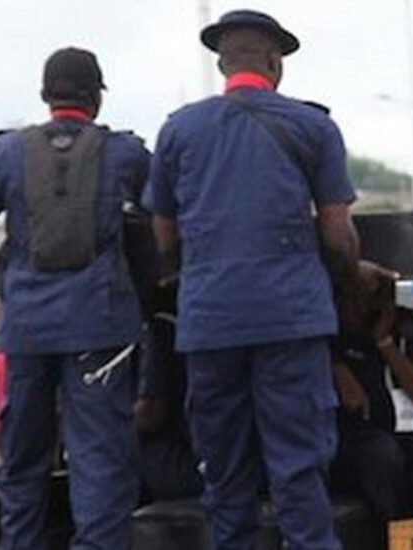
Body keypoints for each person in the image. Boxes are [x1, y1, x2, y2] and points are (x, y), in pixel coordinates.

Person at [144, 10, 360, 549]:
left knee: (224, 472)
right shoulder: (313, 128)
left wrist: (192, 275)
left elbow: (164, 237)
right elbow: (338, 235)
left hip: (210, 323)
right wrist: (347, 282)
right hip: (291, 320)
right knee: (298, 469)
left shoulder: (177, 131)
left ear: (222, 62)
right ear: (273, 62)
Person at [0, 47, 154, 549]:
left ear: (46, 96)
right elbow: (162, 217)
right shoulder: (125, 152)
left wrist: (10, 268)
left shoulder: (3, 152)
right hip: (100, 326)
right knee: (100, 460)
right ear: (96, 98)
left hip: (26, 329)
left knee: (22, 457)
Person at [331, 261, 413, 549]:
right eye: (352, 298)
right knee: (382, 458)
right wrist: (336, 367)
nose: (358, 308)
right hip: (364, 434)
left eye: (367, 299)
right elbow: (353, 400)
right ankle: (395, 543)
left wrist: (386, 344)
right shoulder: (333, 339)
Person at [134, 283, 204, 502]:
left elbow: (150, 413)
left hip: (180, 459)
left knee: (100, 456)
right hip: (214, 459)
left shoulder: (158, 329)